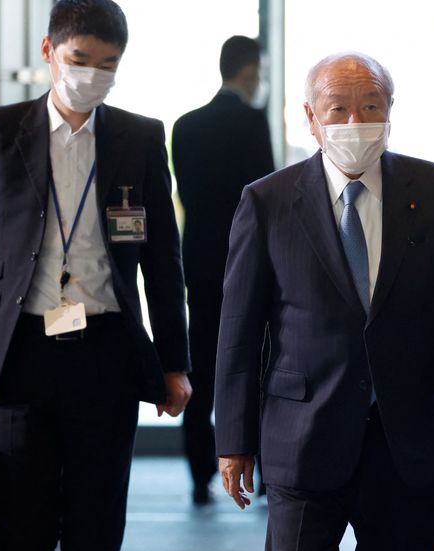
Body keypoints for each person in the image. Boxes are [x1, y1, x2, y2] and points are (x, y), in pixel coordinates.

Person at [214, 52, 434, 551]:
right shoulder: (268, 201)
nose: (355, 122)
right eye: (338, 108)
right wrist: (233, 438)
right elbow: (239, 331)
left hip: (408, 437)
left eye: (370, 106)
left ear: (391, 111)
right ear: (310, 116)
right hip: (303, 435)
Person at [0, 0, 192, 551]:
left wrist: (174, 364)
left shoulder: (140, 137)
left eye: (107, 65)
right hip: (20, 353)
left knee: (97, 532)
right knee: (22, 533)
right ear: (48, 51)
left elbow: (163, 261)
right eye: (79, 59)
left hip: (105, 354)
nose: (92, 75)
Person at [172, 35, 274, 505]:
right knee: (258, 361)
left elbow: (188, 199)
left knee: (204, 363)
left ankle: (198, 478)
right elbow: (267, 199)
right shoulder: (253, 122)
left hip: (201, 264)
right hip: (247, 262)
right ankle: (266, 472)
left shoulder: (186, 126)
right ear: (250, 72)